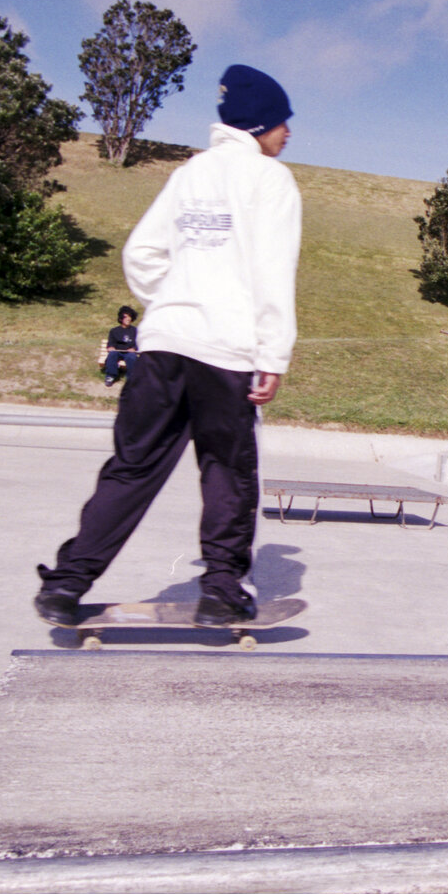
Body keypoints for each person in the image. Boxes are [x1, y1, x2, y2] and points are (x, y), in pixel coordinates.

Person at [35, 64, 302, 628]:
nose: (288, 133)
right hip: (225, 353)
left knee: (131, 468)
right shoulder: (271, 181)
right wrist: (272, 355)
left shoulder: (190, 174)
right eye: (283, 122)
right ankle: (222, 591)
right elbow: (275, 274)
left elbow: (141, 254)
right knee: (227, 472)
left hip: (160, 348)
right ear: (259, 125)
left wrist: (177, 301)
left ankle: (65, 585)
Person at [103, 306, 139, 387]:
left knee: (131, 357)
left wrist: (134, 348)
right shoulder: (114, 331)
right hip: (118, 351)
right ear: (120, 319)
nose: (128, 319)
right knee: (112, 354)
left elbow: (138, 343)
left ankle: (131, 378)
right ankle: (110, 376)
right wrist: (111, 347)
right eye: (126, 317)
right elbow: (111, 343)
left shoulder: (135, 331)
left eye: (130, 316)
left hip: (129, 352)